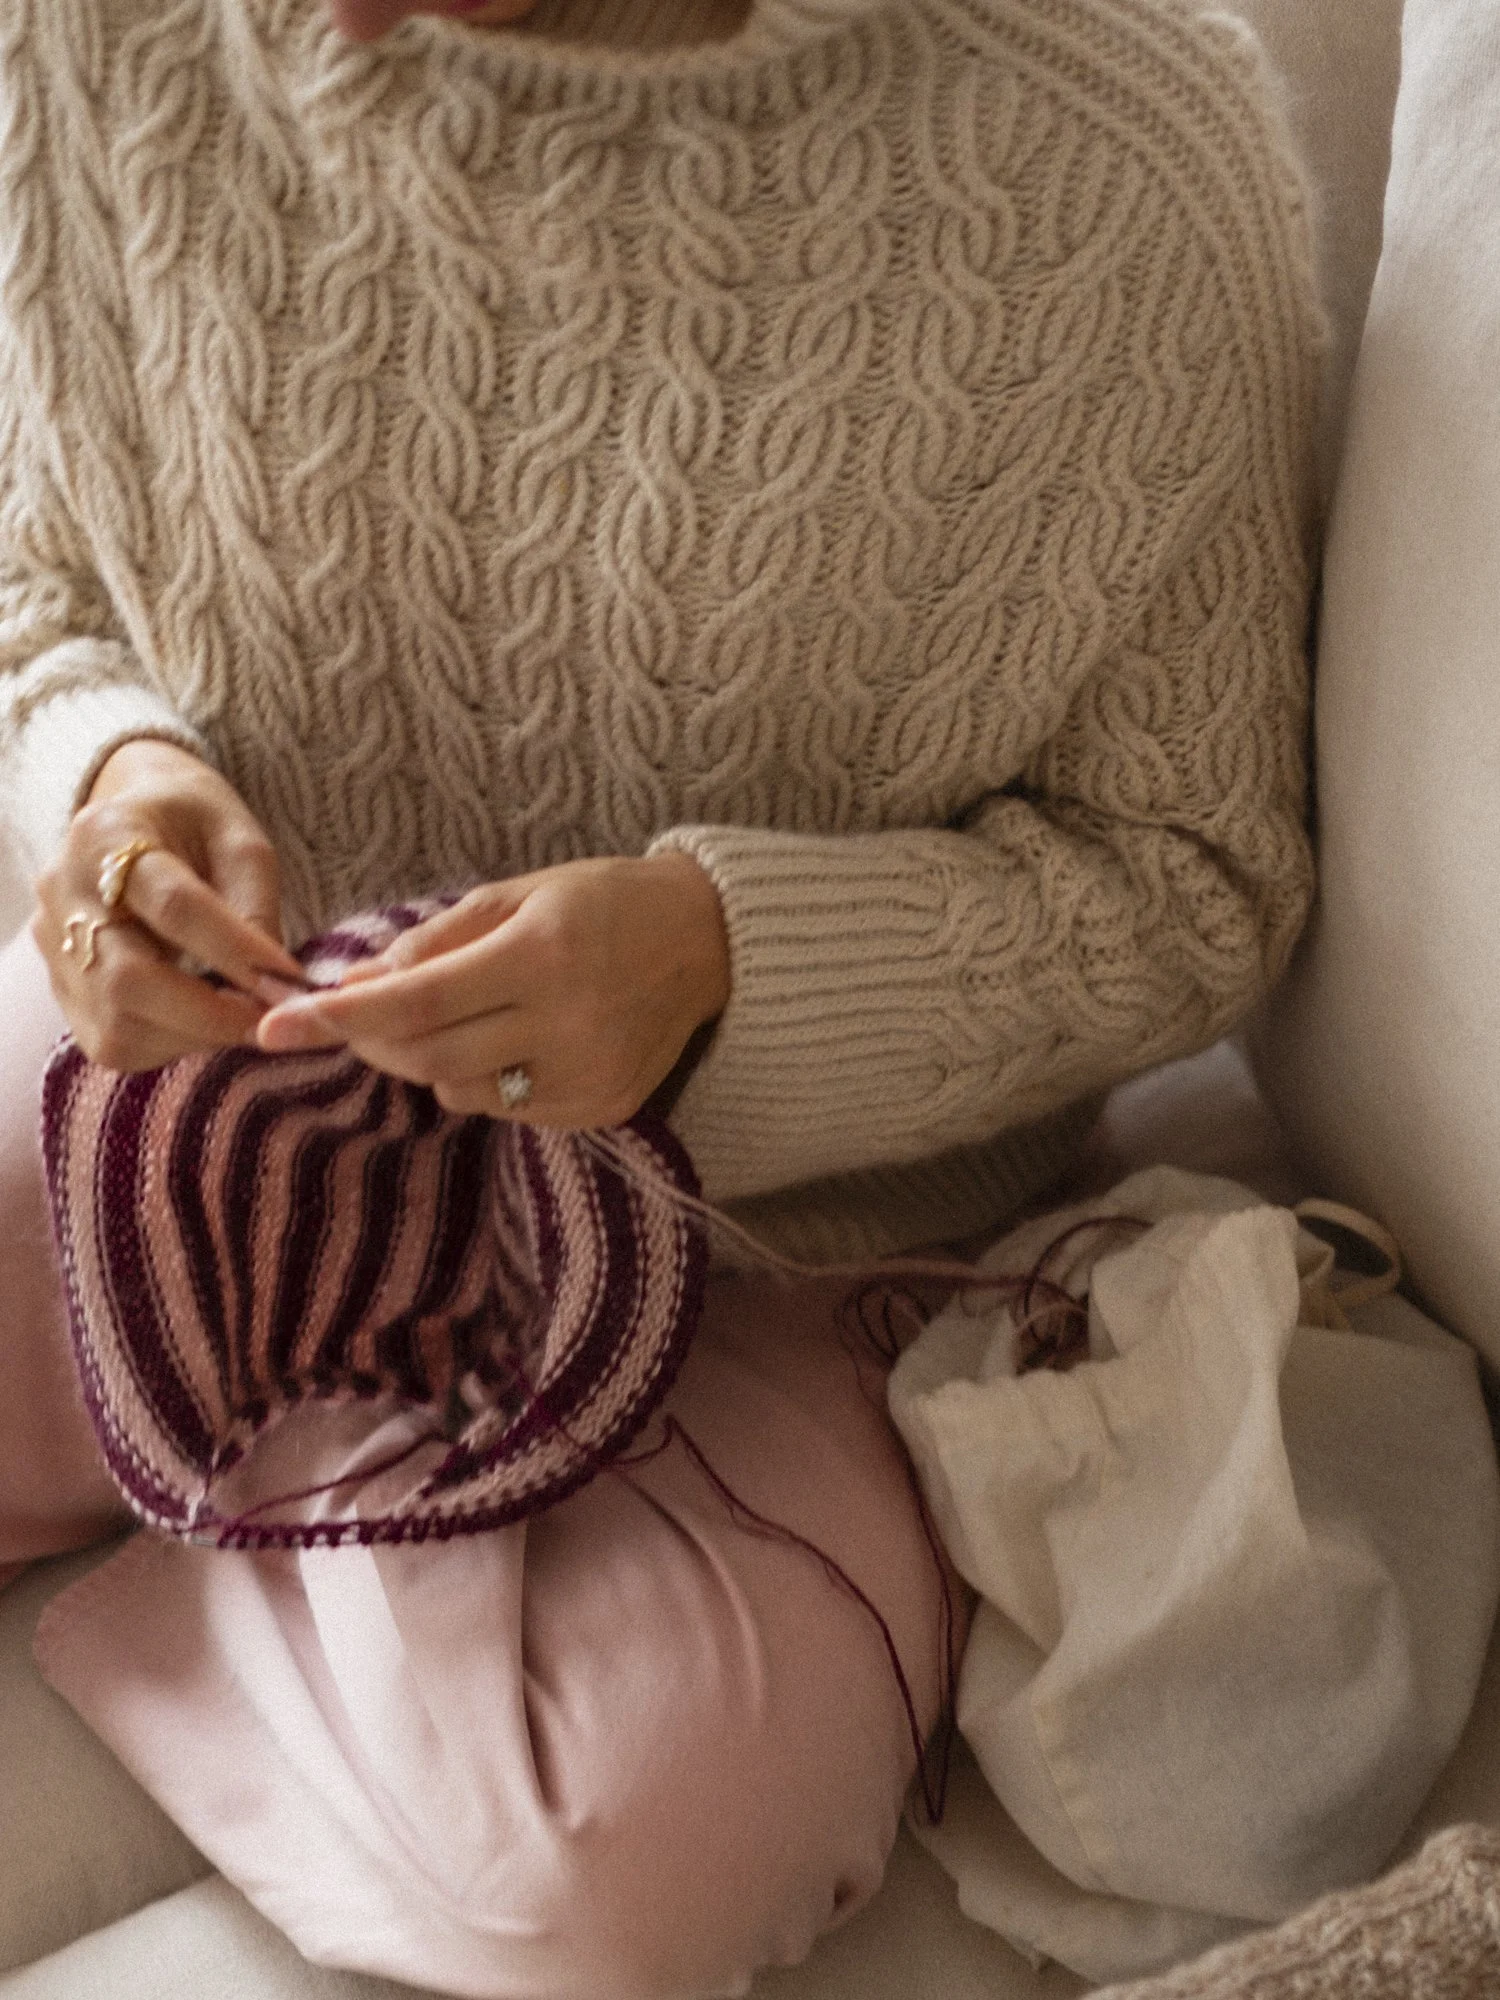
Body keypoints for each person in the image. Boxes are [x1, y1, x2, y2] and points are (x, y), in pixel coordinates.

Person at [0, 0, 1323, 1990]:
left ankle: (258, 1494)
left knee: (588, 1885)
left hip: (789, 1240)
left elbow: (1198, 880)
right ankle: (286, 1469)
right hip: (228, 1089)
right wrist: (104, 775)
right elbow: (37, 558)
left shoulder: (1126, 157)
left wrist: (722, 970)